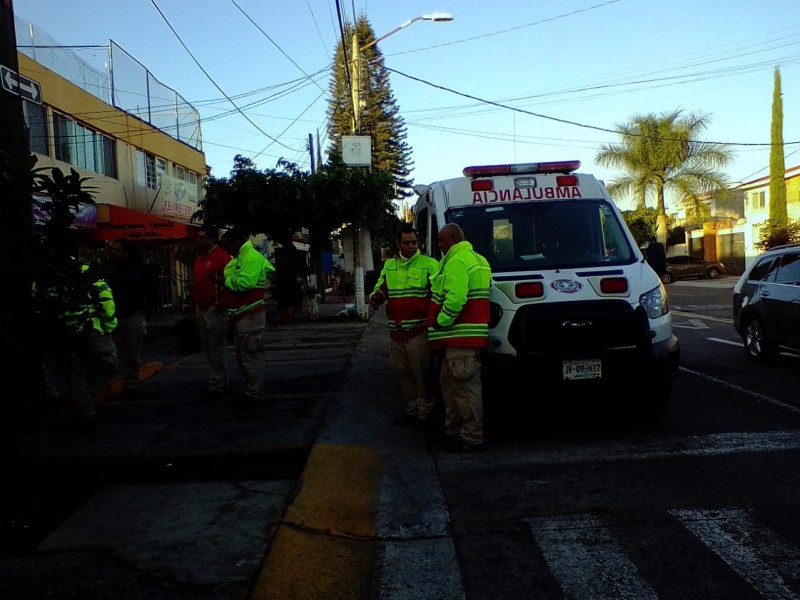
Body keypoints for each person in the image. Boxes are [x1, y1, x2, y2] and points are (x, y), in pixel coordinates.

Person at [428, 223, 492, 453]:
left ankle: (471, 438)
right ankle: (454, 433)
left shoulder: (457, 261)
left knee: (465, 392)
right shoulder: (479, 259)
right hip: (463, 340)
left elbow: (455, 298)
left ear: (453, 238)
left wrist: (441, 322)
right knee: (452, 389)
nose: (439, 245)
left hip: (459, 338)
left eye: (441, 240)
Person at [369, 224, 439, 429]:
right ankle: (412, 412)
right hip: (396, 333)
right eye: (406, 243)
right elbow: (381, 288)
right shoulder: (390, 265)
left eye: (414, 242)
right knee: (403, 373)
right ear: (398, 244)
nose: (411, 246)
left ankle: (426, 415)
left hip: (419, 332)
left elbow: (438, 294)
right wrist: (375, 297)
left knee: (422, 374)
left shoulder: (430, 264)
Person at [38, 261, 118, 433]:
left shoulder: (45, 279)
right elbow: (106, 301)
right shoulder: (89, 275)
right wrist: (108, 327)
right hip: (90, 331)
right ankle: (88, 400)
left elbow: (39, 305)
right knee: (107, 361)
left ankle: (87, 412)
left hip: (63, 334)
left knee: (75, 374)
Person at [218, 228, 275, 409]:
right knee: (244, 357)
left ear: (236, 243)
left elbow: (245, 282)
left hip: (250, 314)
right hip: (241, 314)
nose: (226, 250)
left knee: (250, 356)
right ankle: (251, 391)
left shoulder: (251, 258)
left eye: (227, 246)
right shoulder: (240, 258)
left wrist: (225, 281)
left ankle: (254, 393)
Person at [100, 237, 157, 401]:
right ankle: (107, 381)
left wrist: (146, 310)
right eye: (113, 250)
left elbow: (149, 289)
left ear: (126, 252)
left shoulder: (138, 269)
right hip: (111, 314)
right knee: (107, 350)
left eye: (117, 250)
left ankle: (131, 383)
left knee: (132, 351)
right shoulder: (107, 267)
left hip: (132, 313)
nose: (114, 253)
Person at [192, 225, 232, 400]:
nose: (198, 240)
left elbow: (228, 283)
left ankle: (217, 385)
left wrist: (219, 304)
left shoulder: (222, 258)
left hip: (215, 309)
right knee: (208, 348)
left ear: (212, 239)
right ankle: (220, 380)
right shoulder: (200, 259)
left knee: (216, 348)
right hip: (201, 307)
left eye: (202, 237)